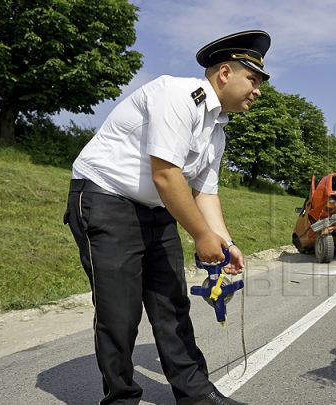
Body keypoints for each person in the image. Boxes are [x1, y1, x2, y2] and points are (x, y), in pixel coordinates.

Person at [64, 30, 271, 405]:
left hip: (157, 209)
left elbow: (205, 192)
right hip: (106, 198)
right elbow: (165, 174)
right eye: (252, 80)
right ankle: (121, 398)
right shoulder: (178, 95)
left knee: (172, 304)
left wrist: (224, 242)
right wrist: (201, 236)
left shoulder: (217, 128)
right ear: (225, 73)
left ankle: (196, 395)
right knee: (119, 311)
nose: (257, 91)